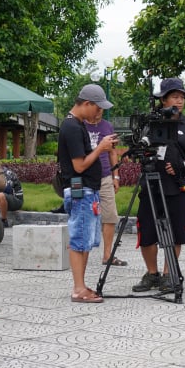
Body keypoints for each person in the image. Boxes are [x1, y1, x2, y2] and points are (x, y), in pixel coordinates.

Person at [131, 77, 185, 294]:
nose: (179, 101)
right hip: (151, 183)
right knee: (147, 232)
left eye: (182, 97)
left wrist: (182, 165)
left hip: (177, 187)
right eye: (175, 96)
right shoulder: (149, 123)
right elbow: (138, 148)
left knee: (175, 232)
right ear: (163, 99)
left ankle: (168, 274)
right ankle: (152, 274)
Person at [58, 84, 121, 304]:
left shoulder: (77, 125)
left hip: (87, 190)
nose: (99, 113)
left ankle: (82, 285)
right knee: (79, 239)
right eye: (97, 108)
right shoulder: (72, 128)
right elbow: (80, 166)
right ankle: (78, 289)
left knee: (85, 239)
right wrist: (101, 148)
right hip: (80, 189)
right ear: (86, 104)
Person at [84, 103, 123, 266]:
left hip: (105, 176)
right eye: (97, 107)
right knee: (83, 216)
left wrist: (116, 176)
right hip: (85, 177)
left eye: (102, 108)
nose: (100, 111)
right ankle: (80, 254)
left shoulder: (107, 126)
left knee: (110, 216)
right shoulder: (79, 125)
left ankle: (107, 255)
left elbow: (113, 152)